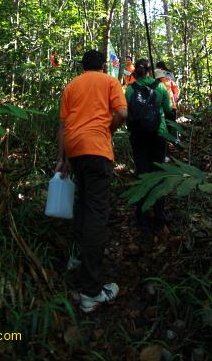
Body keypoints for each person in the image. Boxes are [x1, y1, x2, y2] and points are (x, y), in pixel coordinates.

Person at [55, 50, 127, 313]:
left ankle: (77, 258)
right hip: (96, 149)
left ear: (83, 66)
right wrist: (108, 129)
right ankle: (91, 292)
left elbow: (62, 126)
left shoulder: (72, 85)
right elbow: (121, 112)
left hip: (75, 151)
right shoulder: (109, 82)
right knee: (96, 212)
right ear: (103, 65)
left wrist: (61, 159)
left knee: (84, 204)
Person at [125, 58, 172, 237]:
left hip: (138, 136)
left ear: (136, 70)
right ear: (150, 70)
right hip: (158, 134)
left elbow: (125, 111)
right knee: (159, 173)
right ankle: (160, 216)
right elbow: (168, 108)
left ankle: (142, 219)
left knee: (142, 173)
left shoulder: (130, 89)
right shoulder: (160, 86)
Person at [154, 60, 179, 125]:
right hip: (169, 105)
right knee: (171, 125)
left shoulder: (164, 77)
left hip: (166, 105)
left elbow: (175, 89)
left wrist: (175, 99)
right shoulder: (168, 77)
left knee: (167, 125)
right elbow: (175, 89)